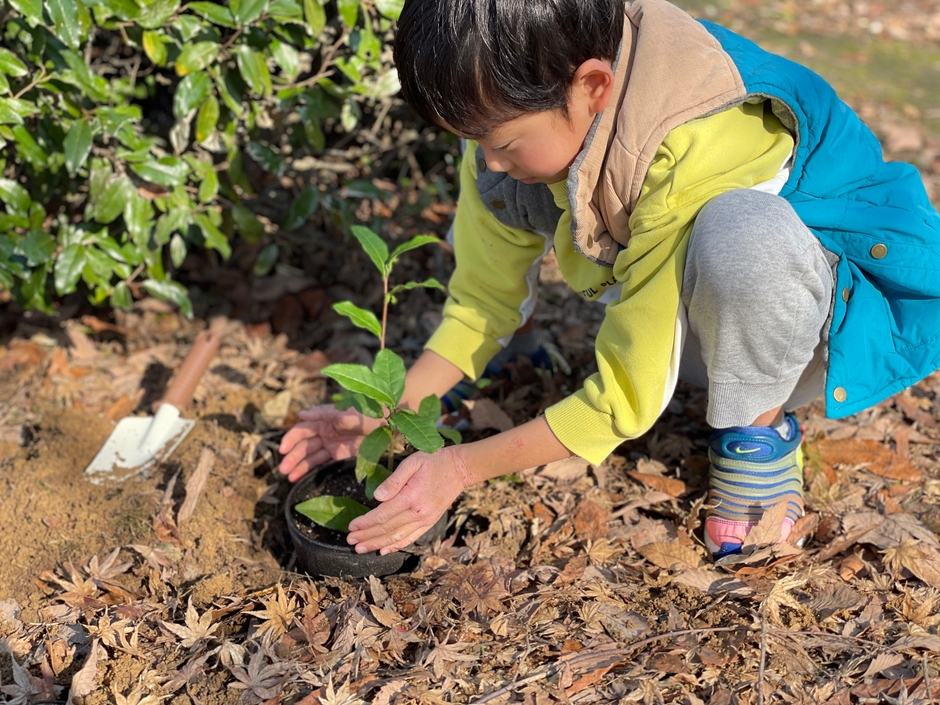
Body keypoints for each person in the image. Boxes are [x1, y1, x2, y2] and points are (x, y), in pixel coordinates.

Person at [279, 0, 940, 558]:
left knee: (743, 234)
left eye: (501, 143)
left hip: (817, 323)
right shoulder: (510, 100)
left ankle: (758, 429)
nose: (488, 161)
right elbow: (480, 300)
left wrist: (459, 467)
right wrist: (385, 414)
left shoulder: (695, 130)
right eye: (474, 140)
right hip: (693, 310)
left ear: (592, 86)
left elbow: (626, 394)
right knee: (525, 192)